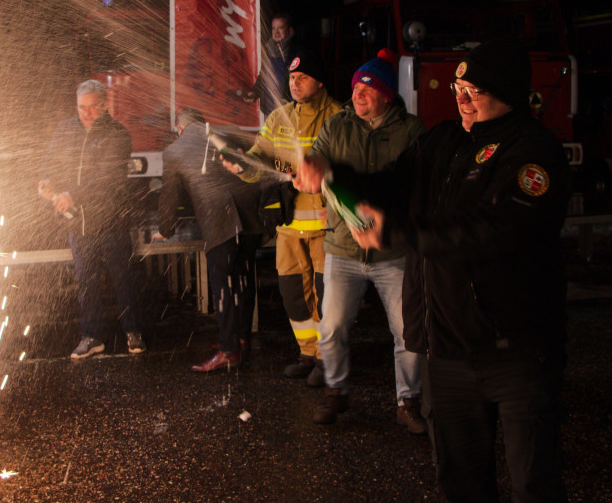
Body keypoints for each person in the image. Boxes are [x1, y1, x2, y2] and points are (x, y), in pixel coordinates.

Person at [294, 39, 574, 503]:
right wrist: (334, 176)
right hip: (448, 351)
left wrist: (399, 232)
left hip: (516, 352)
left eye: (476, 91)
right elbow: (390, 184)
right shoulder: (443, 140)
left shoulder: (533, 151)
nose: (463, 101)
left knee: (534, 489)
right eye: (459, 89)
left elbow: (494, 230)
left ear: (509, 90)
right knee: (462, 486)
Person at [300, 48, 427, 432]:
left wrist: (393, 222)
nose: (358, 95)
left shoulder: (411, 131)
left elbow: (417, 187)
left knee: (407, 330)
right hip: (343, 247)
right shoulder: (337, 126)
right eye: (356, 88)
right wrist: (312, 166)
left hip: (393, 251)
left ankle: (408, 401)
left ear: (386, 95)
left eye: (367, 90)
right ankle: (335, 391)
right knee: (332, 326)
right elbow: (318, 157)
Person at [225, 45, 342, 385]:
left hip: (326, 229)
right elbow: (259, 158)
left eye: (302, 77)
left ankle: (328, 360)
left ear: (319, 82)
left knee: (327, 298)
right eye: (291, 78)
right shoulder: (278, 118)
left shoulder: (337, 116)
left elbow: (346, 165)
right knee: (294, 296)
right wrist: (241, 164)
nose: (295, 83)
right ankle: (308, 353)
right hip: (288, 228)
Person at [38, 79, 146, 357]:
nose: (86, 114)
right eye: (81, 108)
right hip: (79, 222)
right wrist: (46, 180)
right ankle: (91, 336)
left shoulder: (118, 134)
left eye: (92, 108)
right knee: (86, 282)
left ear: (105, 104)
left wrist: (72, 194)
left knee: (122, 279)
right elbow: (50, 159)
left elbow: (107, 178)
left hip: (112, 220)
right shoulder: (65, 129)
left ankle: (133, 332)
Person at [157, 108, 266, 371]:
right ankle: (240, 338)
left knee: (223, 287)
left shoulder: (174, 151)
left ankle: (229, 350)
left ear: (178, 128)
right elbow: (263, 158)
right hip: (250, 219)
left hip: (219, 223)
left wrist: (165, 229)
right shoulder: (228, 131)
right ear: (204, 122)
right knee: (243, 279)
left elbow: (170, 197)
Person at [257, 12, 296, 117]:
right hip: (269, 111)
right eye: (274, 28)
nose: (276, 32)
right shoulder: (268, 51)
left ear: (290, 30)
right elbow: (263, 77)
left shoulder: (295, 52)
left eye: (280, 28)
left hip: (288, 111)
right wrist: (255, 92)